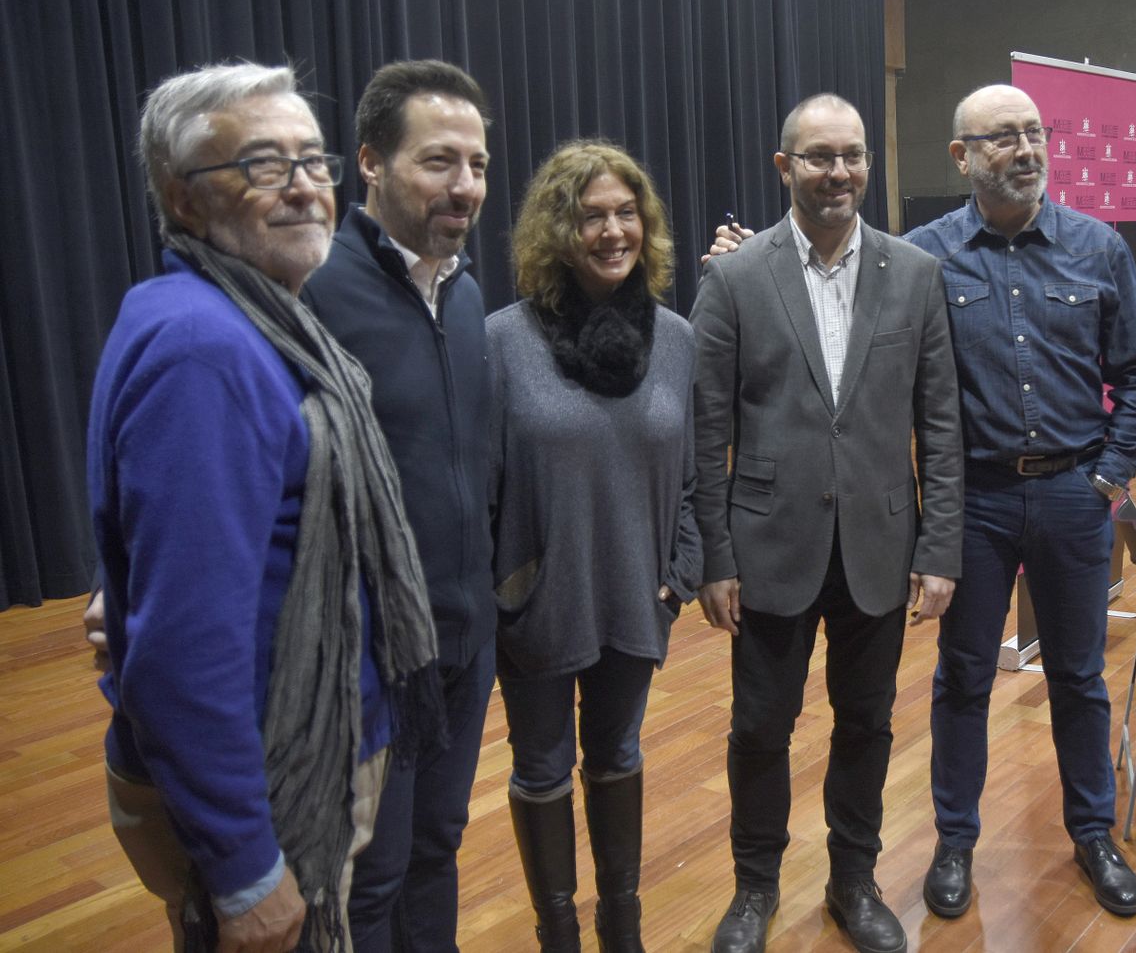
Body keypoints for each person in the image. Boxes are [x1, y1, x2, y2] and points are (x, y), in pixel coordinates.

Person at [710, 84, 1136, 919]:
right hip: (980, 502)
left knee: (1078, 677)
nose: (1024, 149)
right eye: (1002, 137)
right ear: (962, 157)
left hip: (1072, 493)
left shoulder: (1098, 250)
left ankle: (1093, 834)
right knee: (961, 678)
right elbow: (817, 284)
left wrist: (1108, 473)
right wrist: (747, 259)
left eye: (1033, 132)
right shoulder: (923, 258)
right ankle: (953, 844)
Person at [87, 62, 441, 951]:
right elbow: (182, 651)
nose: (303, 188)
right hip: (281, 778)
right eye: (260, 164)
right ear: (181, 197)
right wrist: (245, 870)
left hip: (311, 753)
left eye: (312, 162)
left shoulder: (240, 316)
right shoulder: (205, 346)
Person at [692, 94, 964, 953]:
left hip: (881, 548)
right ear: (785, 168)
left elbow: (942, 422)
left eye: (850, 155)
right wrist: (714, 554)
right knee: (760, 728)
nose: (837, 171)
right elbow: (706, 432)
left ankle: (854, 881)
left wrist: (941, 546)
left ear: (867, 165)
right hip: (770, 546)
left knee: (868, 724)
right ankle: (754, 889)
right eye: (818, 157)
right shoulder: (734, 278)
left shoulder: (914, 274)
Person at [298, 59, 495, 952]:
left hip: (464, 637)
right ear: (369, 163)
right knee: (368, 877)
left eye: (480, 165)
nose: (465, 186)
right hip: (370, 655)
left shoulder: (468, 298)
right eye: (439, 162)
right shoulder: (312, 297)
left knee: (438, 845)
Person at [489, 140, 702, 952]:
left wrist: (680, 574)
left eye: (626, 215)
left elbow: (689, 476)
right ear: (558, 230)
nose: (613, 232)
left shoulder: (676, 340)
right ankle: (559, 935)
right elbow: (481, 486)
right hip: (539, 603)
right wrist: (506, 590)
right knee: (541, 769)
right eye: (591, 217)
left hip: (637, 595)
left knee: (617, 751)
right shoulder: (503, 342)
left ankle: (622, 925)